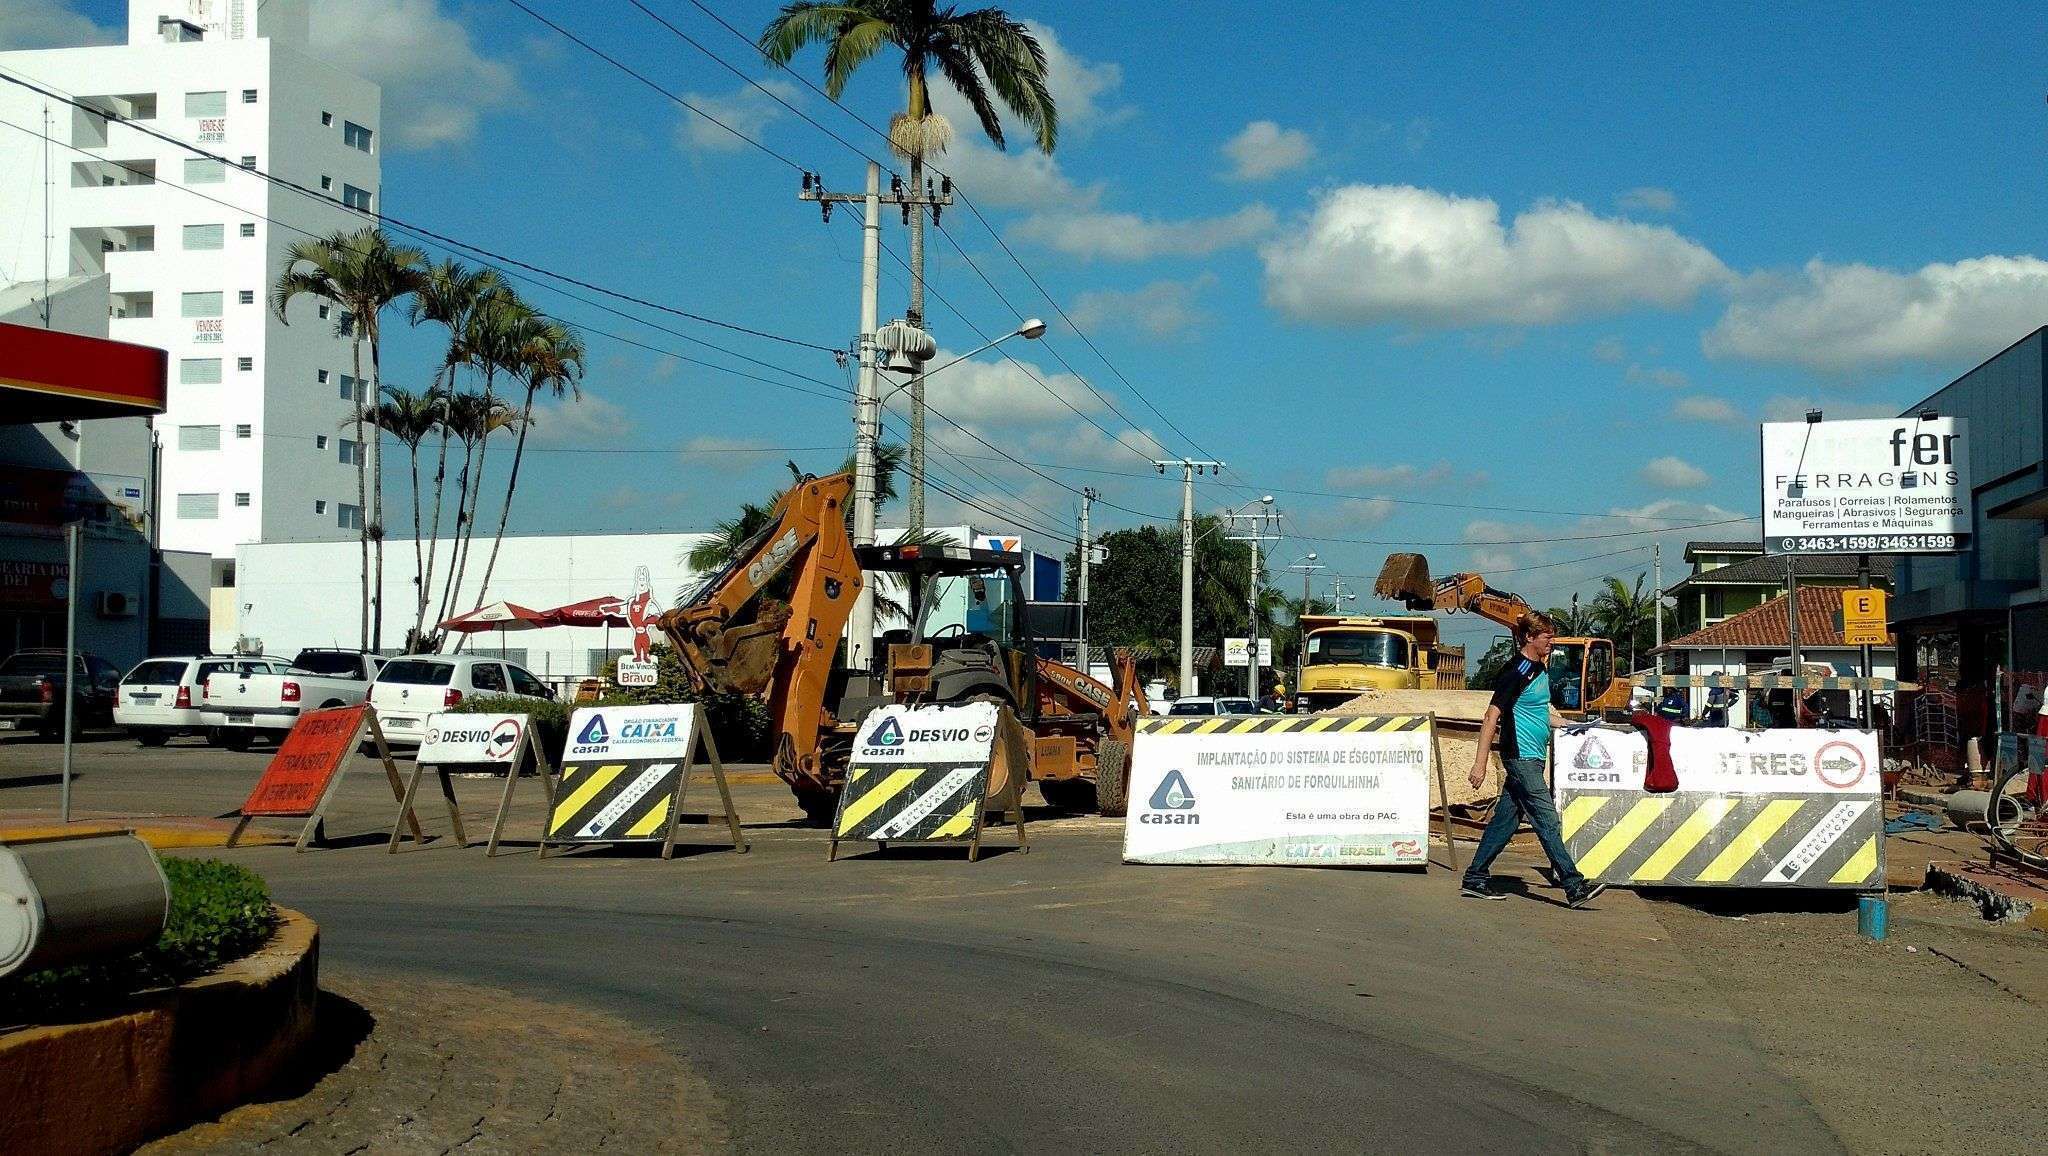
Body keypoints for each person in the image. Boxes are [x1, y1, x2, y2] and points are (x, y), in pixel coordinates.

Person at [1461, 612, 1607, 908]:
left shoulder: (1539, 671)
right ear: (1529, 637)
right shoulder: (1515, 671)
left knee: (1505, 821)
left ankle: (1475, 877)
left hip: (1534, 757)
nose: (1552, 642)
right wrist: (1480, 764)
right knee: (1546, 818)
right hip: (1520, 758)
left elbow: (1539, 713)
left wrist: (1569, 724)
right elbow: (1491, 716)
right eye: (1547, 637)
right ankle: (1574, 885)